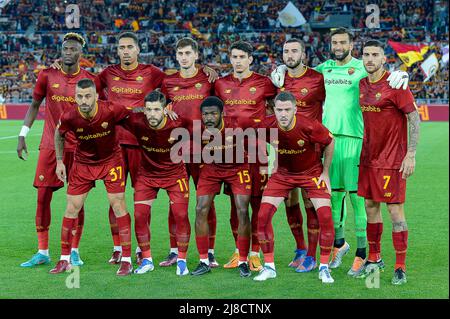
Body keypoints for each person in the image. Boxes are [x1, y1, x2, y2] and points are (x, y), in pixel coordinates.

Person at [271, 27, 410, 276]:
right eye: (334, 42)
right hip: (330, 142)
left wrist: (401, 74)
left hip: (357, 140)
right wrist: (281, 69)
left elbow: (383, 77)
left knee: (359, 200)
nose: (338, 45)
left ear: (351, 44)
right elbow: (300, 78)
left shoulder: (362, 66)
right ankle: (339, 245)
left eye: (342, 42)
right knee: (331, 199)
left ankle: (361, 253)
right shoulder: (323, 70)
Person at [17, 33, 100, 268]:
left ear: (80, 54)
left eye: (73, 49)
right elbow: (34, 105)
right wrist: (22, 135)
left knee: (77, 201)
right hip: (49, 146)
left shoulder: (89, 80)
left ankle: (74, 250)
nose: (68, 52)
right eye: (65, 48)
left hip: (79, 147)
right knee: (42, 197)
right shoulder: (47, 74)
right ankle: (42, 251)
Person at [49, 78, 133, 276]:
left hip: (111, 160)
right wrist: (60, 161)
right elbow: (58, 134)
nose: (84, 100)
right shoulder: (69, 115)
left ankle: (127, 259)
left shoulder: (111, 109)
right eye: (79, 96)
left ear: (96, 96)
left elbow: (133, 120)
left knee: (118, 205)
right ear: (75, 97)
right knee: (71, 209)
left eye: (88, 96)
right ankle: (63, 259)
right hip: (83, 164)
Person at [254, 91, 336, 284]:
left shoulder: (309, 125)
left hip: (311, 173)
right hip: (283, 175)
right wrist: (269, 164)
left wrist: (325, 174)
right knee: (262, 216)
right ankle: (269, 267)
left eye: (287, 110)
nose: (283, 114)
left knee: (325, 216)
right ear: (274, 110)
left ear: (295, 110)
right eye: (279, 110)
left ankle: (324, 267)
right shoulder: (267, 125)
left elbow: (330, 142)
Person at [356, 40, 420, 285]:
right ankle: (374, 258)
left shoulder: (396, 85)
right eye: (366, 54)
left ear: (384, 58)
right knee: (370, 208)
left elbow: (414, 120)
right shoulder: (362, 84)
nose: (370, 59)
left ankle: (400, 266)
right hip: (368, 159)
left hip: (392, 160)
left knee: (395, 211)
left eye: (375, 55)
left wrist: (411, 154)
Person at [214, 40, 277, 271]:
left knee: (258, 203)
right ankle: (239, 252)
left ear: (250, 59)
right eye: (234, 57)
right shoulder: (220, 84)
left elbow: (279, 103)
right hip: (231, 153)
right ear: (230, 59)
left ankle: (255, 253)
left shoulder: (264, 83)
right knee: (235, 205)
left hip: (257, 151)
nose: (238, 61)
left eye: (242, 57)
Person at [160, 37, 218, 268]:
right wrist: (165, 108)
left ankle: (210, 252)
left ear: (196, 55)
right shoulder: (168, 82)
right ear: (176, 56)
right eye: (180, 54)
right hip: (178, 149)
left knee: (207, 202)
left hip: (205, 150)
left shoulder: (208, 79)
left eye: (188, 53)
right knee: (176, 203)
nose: (184, 57)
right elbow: (159, 106)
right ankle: (174, 251)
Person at [121, 90, 191, 276]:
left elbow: (204, 131)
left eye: (157, 110)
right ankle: (146, 259)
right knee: (140, 215)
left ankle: (182, 260)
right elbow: (117, 114)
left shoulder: (179, 123)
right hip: (147, 175)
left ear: (165, 109)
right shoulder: (136, 121)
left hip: (175, 175)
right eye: (149, 110)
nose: (152, 114)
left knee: (181, 215)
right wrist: (136, 109)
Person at [276, 38, 326, 272]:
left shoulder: (317, 78)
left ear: (303, 54)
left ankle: (312, 255)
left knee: (310, 200)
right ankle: (300, 248)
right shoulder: (277, 79)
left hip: (311, 151)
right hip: (284, 149)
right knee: (289, 199)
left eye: (295, 50)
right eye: (286, 51)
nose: (290, 54)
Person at [191, 96, 253, 278]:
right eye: (205, 114)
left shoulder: (238, 125)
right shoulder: (196, 129)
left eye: (213, 114)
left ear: (222, 113)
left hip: (237, 168)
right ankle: (204, 261)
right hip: (212, 168)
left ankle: (243, 261)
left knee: (242, 210)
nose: (209, 118)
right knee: (200, 209)